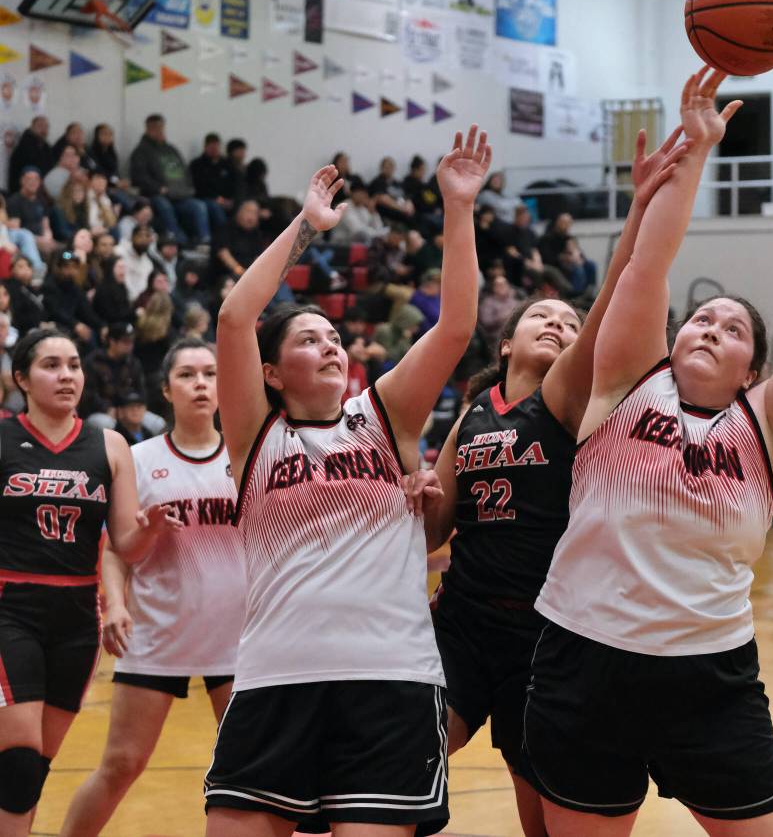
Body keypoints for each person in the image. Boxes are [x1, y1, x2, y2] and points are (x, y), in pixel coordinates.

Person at [519, 68, 773, 837]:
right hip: (587, 656)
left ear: (753, 369)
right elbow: (646, 268)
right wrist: (699, 153)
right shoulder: (624, 383)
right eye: (702, 319)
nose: (712, 327)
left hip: (708, 674)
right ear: (674, 336)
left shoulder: (768, 425)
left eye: (734, 328)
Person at [205, 126, 491, 835]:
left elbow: (456, 326)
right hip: (275, 676)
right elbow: (237, 315)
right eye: (308, 339)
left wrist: (458, 208)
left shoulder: (385, 414)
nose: (329, 344)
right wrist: (305, 226)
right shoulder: (255, 435)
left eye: (333, 337)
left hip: (389, 676)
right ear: (272, 372)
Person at [425, 124, 690, 837]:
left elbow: (612, 299)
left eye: (568, 323)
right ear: (505, 340)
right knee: (402, 757)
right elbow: (433, 531)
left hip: (547, 629)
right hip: (463, 619)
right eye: (542, 315)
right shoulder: (474, 411)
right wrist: (417, 500)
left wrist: (638, 209)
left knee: (539, 817)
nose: (560, 324)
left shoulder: (568, 397)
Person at [59, 339, 245, 837]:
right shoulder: (138, 460)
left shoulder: (249, 456)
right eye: (187, 375)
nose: (201, 383)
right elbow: (118, 549)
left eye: (209, 373)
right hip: (159, 634)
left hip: (239, 640)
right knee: (121, 764)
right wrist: (115, 604)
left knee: (252, 776)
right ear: (166, 389)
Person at [0, 328, 180, 835]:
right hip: (10, 605)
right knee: (16, 757)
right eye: (51, 366)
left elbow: (125, 546)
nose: (66, 376)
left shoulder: (110, 445)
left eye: (74, 365)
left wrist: (151, 531)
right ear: (22, 379)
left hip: (78, 615)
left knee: (33, 769)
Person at [129, 114, 212, 247]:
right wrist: (158, 188)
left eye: (161, 128)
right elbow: (139, 177)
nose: (160, 131)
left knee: (198, 206)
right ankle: (178, 240)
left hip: (180, 195)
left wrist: (189, 189)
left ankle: (204, 241)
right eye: (156, 128)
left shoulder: (171, 150)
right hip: (156, 195)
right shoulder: (140, 152)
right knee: (164, 206)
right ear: (148, 129)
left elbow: (185, 172)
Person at [6, 169, 57, 257]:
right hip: (26, 243)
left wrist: (47, 238)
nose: (32, 182)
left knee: (65, 253)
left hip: (43, 240)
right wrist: (39, 240)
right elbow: (16, 231)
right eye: (29, 179)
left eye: (36, 179)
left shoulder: (42, 200)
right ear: (22, 180)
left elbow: (46, 226)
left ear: (40, 182)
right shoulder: (14, 201)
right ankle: (39, 269)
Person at [7, 116, 51, 193]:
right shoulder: (25, 146)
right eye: (40, 126)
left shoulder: (45, 146)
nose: (43, 130)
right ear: (32, 128)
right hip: (22, 191)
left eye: (46, 127)